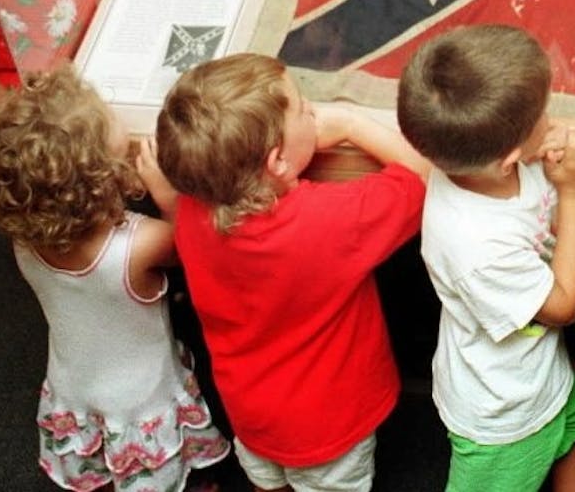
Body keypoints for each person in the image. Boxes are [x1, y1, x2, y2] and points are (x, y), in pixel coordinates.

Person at [154, 52, 429, 492]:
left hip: (249, 412)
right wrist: (352, 124)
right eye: (305, 109)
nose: (314, 112)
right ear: (277, 162)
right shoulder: (333, 220)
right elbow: (424, 176)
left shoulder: (192, 205)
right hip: (329, 425)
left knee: (267, 481)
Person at [0, 66, 229, 491]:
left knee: (100, 458)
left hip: (72, 386)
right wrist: (167, 196)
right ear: (106, 177)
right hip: (141, 395)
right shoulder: (138, 246)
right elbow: (195, 249)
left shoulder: (24, 235)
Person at [396, 24, 575, 492]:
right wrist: (574, 193)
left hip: (540, 377)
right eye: (544, 114)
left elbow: (565, 244)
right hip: (503, 414)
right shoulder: (475, 244)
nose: (551, 117)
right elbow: (563, 307)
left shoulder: (484, 164)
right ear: (510, 156)